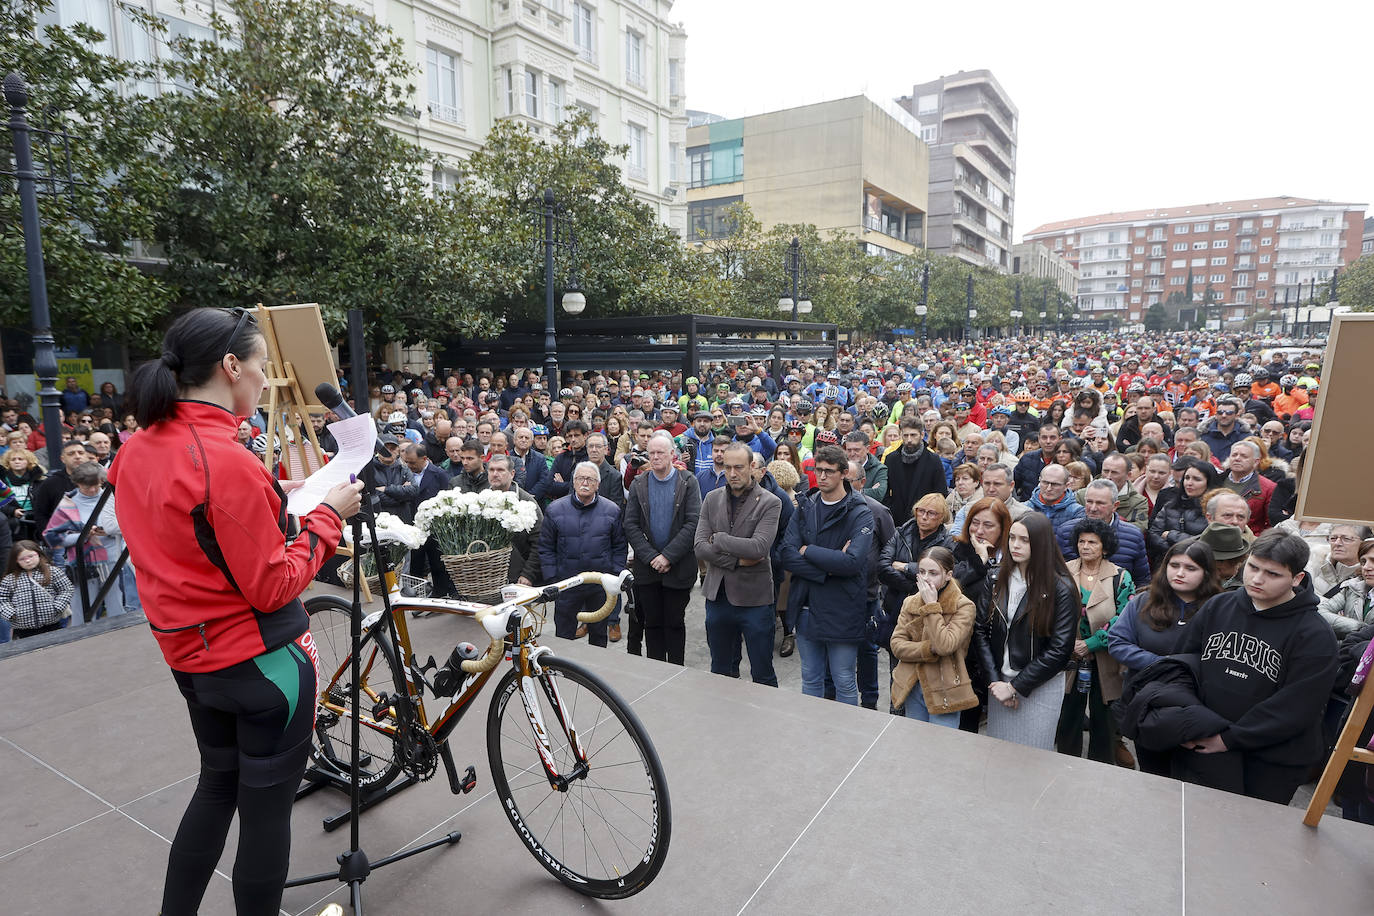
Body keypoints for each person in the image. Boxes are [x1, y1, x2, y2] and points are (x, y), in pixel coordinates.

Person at [109, 307, 363, 915]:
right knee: (265, 814)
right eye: (260, 367)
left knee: (216, 785)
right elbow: (274, 585)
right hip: (262, 661)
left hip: (189, 656)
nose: (260, 378)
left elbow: (196, 546)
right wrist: (328, 516)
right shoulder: (220, 457)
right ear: (230, 367)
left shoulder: (139, 447)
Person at [1171, 530, 1339, 805]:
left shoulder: (1315, 634)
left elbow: (1297, 706)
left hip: (1271, 761)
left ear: (1297, 579)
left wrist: (1229, 739)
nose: (1258, 579)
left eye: (1273, 574)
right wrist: (1189, 721)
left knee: (1251, 837)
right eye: (1253, 567)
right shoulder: (1219, 604)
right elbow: (1183, 662)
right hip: (1202, 739)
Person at [1106, 538, 1221, 775]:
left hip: (1194, 708)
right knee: (1153, 776)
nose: (1180, 573)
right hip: (1147, 706)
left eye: (1191, 568)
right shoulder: (1143, 601)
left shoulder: (1219, 608)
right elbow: (1117, 642)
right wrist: (1161, 665)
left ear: (1206, 573)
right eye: (1174, 565)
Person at [971, 513, 1080, 750]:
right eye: (1012, 538)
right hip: (999, 682)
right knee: (998, 754)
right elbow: (980, 630)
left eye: (1025, 540)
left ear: (1041, 543)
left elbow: (1060, 650)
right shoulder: (996, 576)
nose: (1015, 545)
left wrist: (1016, 687)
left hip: (1040, 684)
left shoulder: (1061, 588)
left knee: (1033, 758)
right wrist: (995, 682)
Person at [780, 444, 875, 706]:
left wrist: (808, 549)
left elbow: (853, 563)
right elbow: (786, 554)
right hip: (806, 606)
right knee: (810, 677)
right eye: (818, 470)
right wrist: (827, 569)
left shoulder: (860, 512)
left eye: (828, 472)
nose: (821, 476)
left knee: (843, 679)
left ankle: (846, 739)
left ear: (844, 473)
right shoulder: (806, 505)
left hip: (841, 608)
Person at [695, 441, 783, 686]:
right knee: (721, 670)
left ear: (752, 466)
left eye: (739, 467)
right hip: (718, 597)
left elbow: (759, 548)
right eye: (727, 467)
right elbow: (700, 547)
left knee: (762, 674)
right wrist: (737, 560)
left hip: (755, 600)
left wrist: (720, 539)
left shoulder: (770, 502)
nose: (732, 474)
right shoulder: (711, 499)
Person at [1055, 518, 1135, 765]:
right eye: (1081, 541)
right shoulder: (1063, 571)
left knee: (1104, 716)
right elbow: (1052, 612)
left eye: (1092, 542)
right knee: (1069, 711)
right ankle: (1065, 762)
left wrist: (1092, 644)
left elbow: (1124, 619)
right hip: (1069, 654)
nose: (1085, 546)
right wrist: (1071, 644)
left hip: (1106, 657)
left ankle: (1101, 766)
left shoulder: (1120, 577)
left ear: (1105, 547)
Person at [623, 433, 702, 665]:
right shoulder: (639, 483)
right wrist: (651, 557)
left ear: (672, 455)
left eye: (660, 452)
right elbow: (631, 524)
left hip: (678, 567)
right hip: (647, 569)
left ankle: (676, 668)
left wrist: (667, 556)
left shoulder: (688, 482)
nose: (655, 457)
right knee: (652, 623)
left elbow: (693, 522)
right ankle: (655, 669)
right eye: (652, 453)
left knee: (675, 622)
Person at [539, 460, 626, 648]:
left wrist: (614, 575)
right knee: (563, 635)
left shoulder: (612, 510)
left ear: (598, 484)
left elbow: (620, 546)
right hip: (566, 584)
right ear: (573, 481)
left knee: (598, 635)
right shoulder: (555, 510)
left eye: (590, 479)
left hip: (599, 585)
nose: (585, 483)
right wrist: (553, 580)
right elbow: (546, 548)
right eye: (580, 478)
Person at [889, 546, 978, 727]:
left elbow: (945, 645)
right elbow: (897, 644)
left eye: (933, 573)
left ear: (948, 575)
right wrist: (929, 649)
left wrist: (931, 606)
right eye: (922, 572)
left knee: (941, 748)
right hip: (913, 684)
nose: (926, 578)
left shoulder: (963, 606)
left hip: (945, 689)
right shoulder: (910, 602)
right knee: (917, 742)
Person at [1058, 479, 1150, 587]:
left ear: (1115, 505)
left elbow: (1142, 581)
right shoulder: (1066, 531)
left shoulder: (1133, 536)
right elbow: (1057, 574)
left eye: (1100, 503)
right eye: (1089, 502)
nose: (1093, 508)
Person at [486, 454, 543, 587]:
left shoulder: (526, 501)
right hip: (488, 577)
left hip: (518, 579)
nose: (495, 474)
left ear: (512, 474)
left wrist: (528, 574)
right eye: (491, 470)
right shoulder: (480, 501)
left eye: (500, 470)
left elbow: (540, 541)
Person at [1147, 457, 1216, 563]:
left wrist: (1171, 535)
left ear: (1209, 482)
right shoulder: (1171, 505)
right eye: (1187, 478)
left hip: (1200, 563)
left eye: (1196, 479)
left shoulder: (1215, 510)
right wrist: (1172, 551)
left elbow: (1206, 541)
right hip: (1166, 562)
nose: (1189, 483)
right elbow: (1154, 533)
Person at [0, 539, 74, 638]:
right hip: (23, 629)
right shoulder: (9, 579)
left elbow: (66, 589)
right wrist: (11, 614)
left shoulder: (53, 571)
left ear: (38, 554)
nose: (27, 560)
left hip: (52, 624)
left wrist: (57, 606)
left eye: (31, 556)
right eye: (22, 559)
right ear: (16, 561)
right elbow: (2, 599)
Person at [882, 414, 947, 527]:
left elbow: (940, 492)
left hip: (924, 519)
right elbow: (885, 490)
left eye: (913, 435)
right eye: (905, 435)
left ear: (922, 435)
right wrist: (891, 509)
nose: (909, 440)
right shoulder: (891, 459)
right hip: (896, 519)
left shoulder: (933, 460)